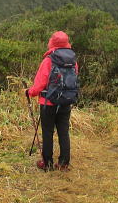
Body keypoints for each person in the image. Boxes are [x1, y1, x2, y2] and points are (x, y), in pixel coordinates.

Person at [25, 31, 78, 171]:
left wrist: (29, 92)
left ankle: (47, 163)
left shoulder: (49, 60)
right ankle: (63, 163)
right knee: (63, 132)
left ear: (52, 43)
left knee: (48, 132)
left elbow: (39, 84)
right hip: (66, 101)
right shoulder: (73, 61)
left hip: (48, 103)